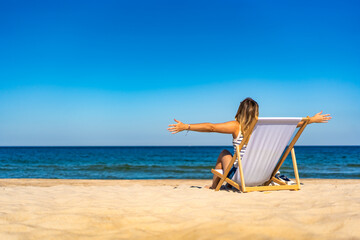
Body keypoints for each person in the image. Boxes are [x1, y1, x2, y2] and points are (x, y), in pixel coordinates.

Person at [167, 97, 332, 189]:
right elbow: (295, 123)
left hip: (243, 179)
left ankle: (213, 186)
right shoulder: (266, 126)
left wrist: (186, 126)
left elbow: (211, 127)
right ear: (257, 112)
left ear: (240, 111)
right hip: (264, 176)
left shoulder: (236, 126)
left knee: (224, 153)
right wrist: (311, 119)